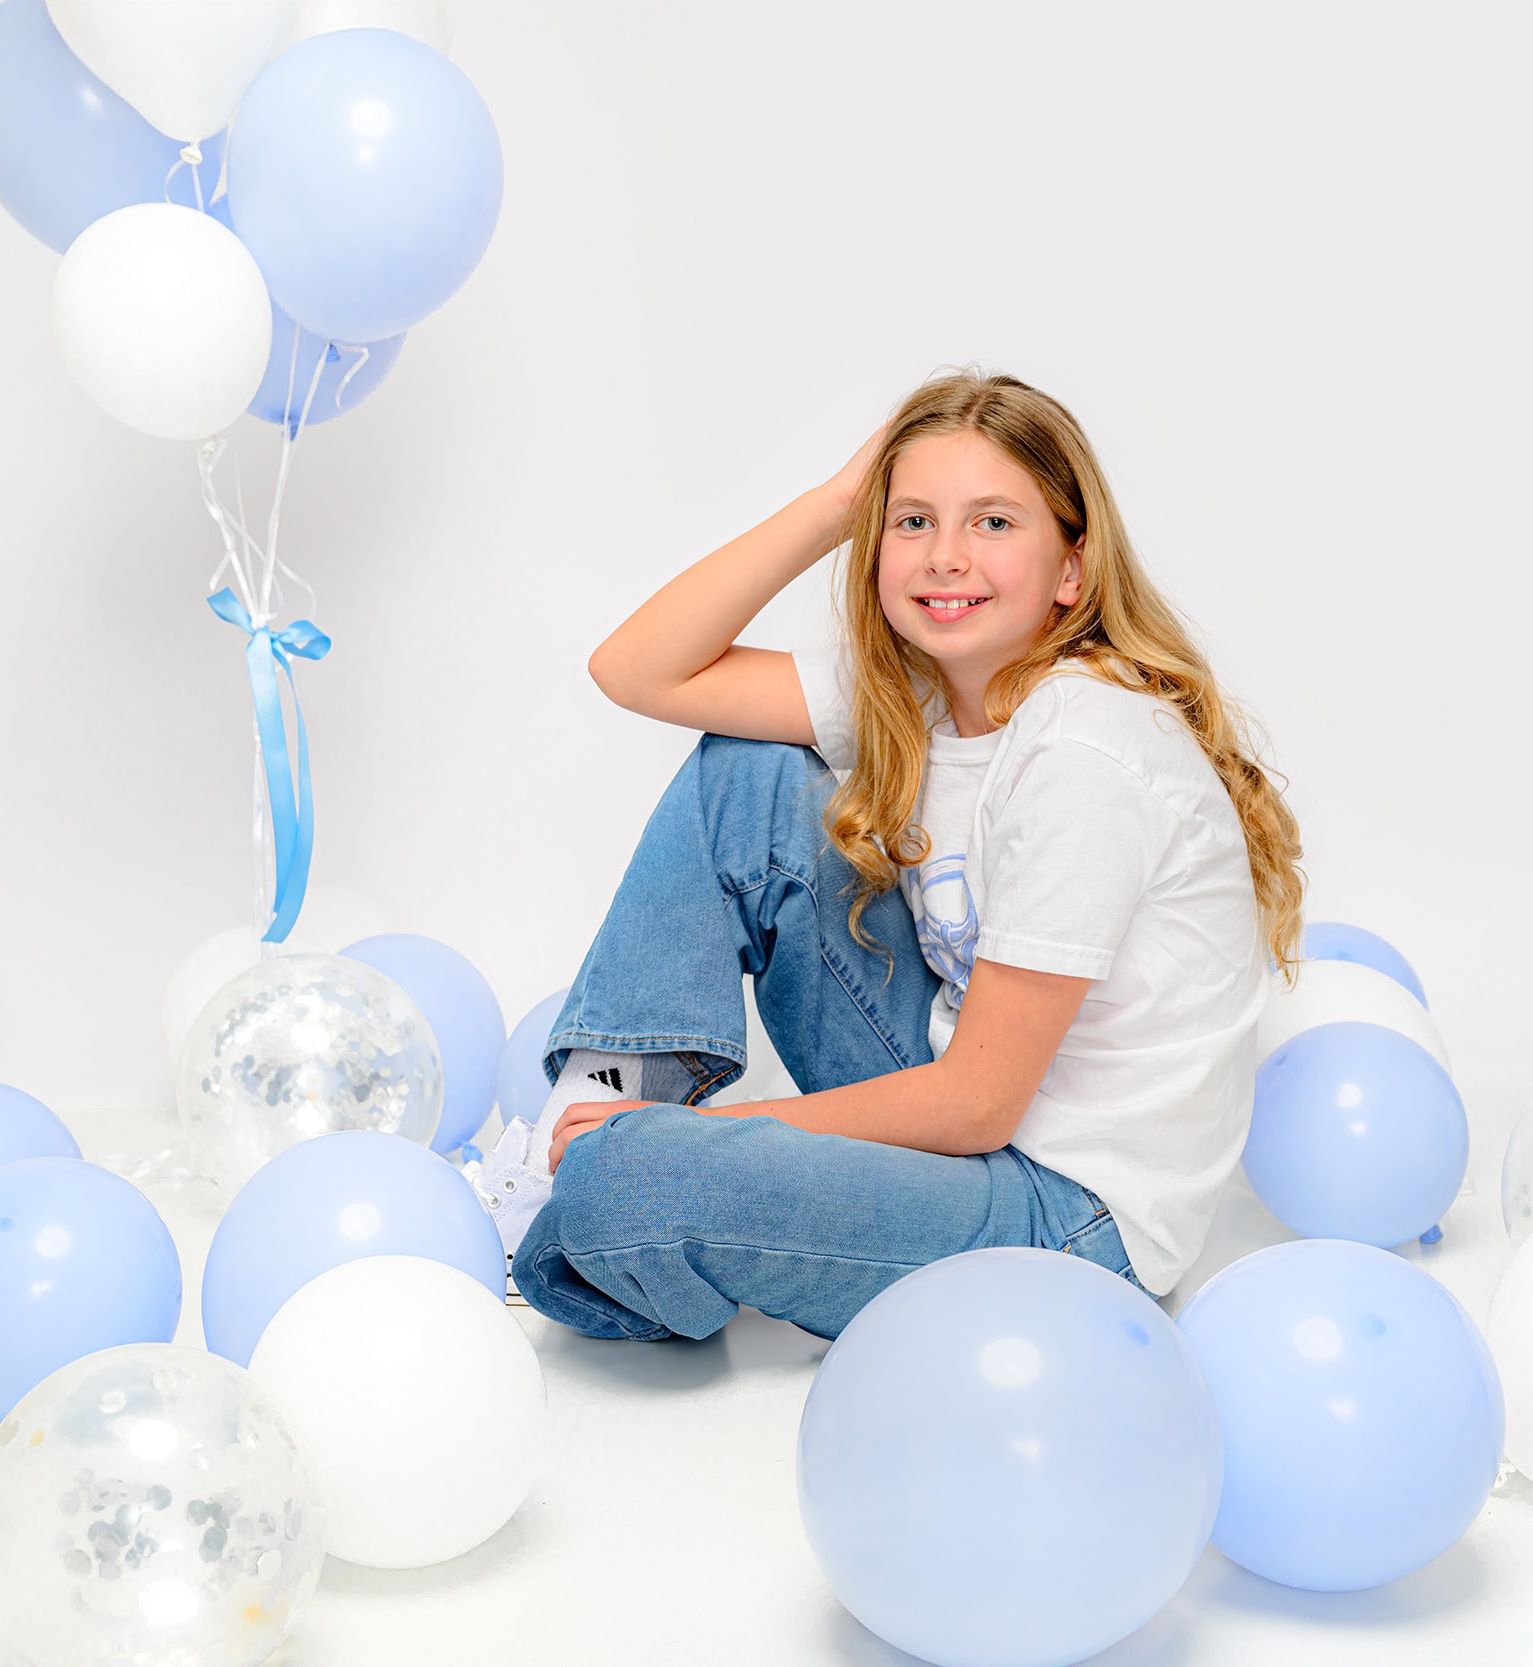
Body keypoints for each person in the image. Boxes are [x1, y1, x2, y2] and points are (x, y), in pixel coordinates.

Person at [470, 368, 1305, 1342]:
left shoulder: (1084, 751)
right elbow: (638, 666)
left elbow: (980, 1104)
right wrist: (834, 504)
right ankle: (587, 1120)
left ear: (1071, 570)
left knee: (636, 1174)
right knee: (748, 766)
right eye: (912, 522)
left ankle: (610, 1176)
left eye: (993, 523)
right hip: (970, 1107)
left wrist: (703, 1140)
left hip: (1067, 1215)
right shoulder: (913, 696)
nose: (946, 557)